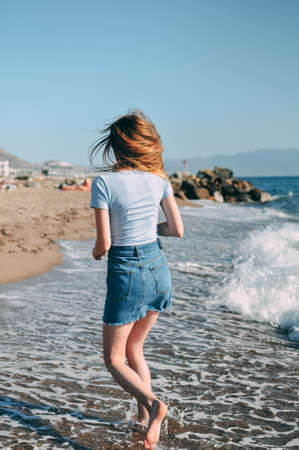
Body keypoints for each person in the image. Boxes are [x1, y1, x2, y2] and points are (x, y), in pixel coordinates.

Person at [90, 110, 184, 449]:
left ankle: (155, 406)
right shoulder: (159, 180)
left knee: (114, 359)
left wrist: (97, 252)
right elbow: (176, 229)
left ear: (114, 147)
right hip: (158, 269)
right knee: (135, 348)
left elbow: (105, 243)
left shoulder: (103, 183)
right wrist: (147, 228)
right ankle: (145, 420)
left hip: (127, 272)